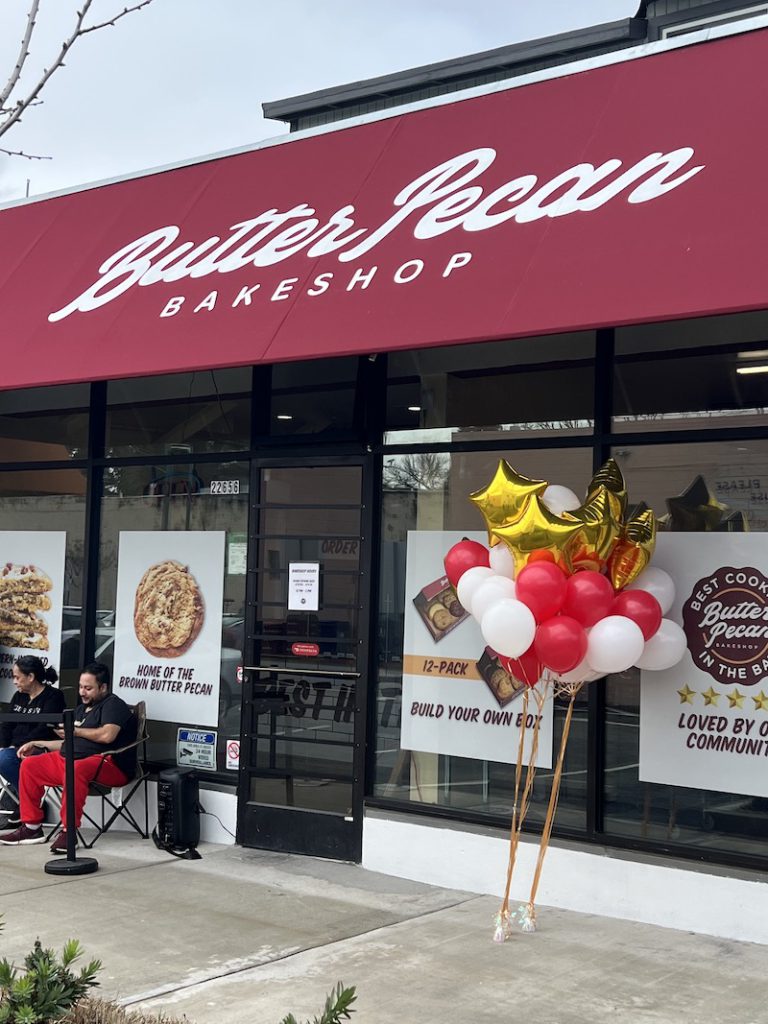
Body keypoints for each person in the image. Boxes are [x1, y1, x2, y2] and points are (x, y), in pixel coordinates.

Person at [0, 662, 136, 853]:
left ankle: (68, 832)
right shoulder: (81, 710)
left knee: (76, 768)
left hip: (109, 763)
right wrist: (38, 743)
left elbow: (107, 735)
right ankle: (31, 828)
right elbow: (67, 742)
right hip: (72, 758)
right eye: (80, 687)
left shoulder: (113, 705)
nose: (82, 692)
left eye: (88, 688)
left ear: (103, 687)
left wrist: (76, 731)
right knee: (30, 764)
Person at [0, 656, 66, 812]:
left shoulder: (53, 696)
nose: (14, 682)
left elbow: (45, 729)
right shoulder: (19, 696)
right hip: (15, 748)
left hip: (40, 747)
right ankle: (28, 801)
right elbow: (7, 724)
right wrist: (3, 744)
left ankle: (29, 803)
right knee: (4, 756)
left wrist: (17, 745)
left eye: (17, 677)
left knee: (4, 759)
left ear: (30, 677)